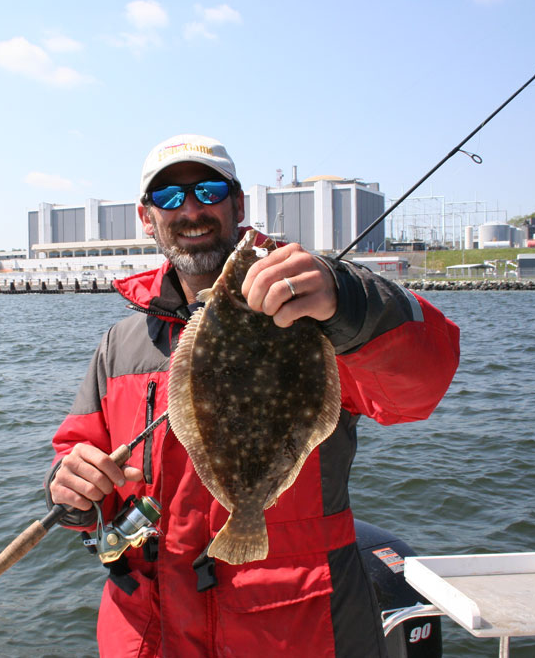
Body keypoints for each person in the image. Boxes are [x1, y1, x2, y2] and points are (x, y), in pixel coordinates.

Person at [45, 133, 460, 657]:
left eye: (209, 191)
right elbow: (77, 458)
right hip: (149, 636)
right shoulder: (120, 346)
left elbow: (420, 387)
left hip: (298, 635)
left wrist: (347, 299)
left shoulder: (318, 310)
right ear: (146, 218)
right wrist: (70, 490)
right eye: (169, 197)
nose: (190, 210)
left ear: (238, 204)